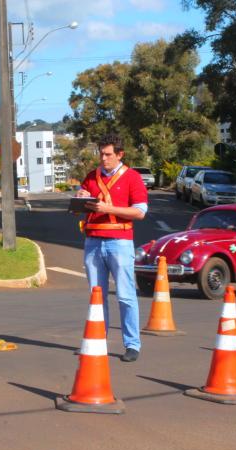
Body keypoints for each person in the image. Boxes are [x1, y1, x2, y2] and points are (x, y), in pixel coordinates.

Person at [76, 133, 148, 362]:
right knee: (96, 296)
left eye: (108, 154)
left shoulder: (133, 178)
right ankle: (98, 341)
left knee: (126, 296)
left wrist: (109, 208)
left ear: (120, 155)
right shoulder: (91, 177)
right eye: (101, 154)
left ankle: (132, 344)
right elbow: (82, 204)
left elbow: (140, 212)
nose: (103, 158)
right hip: (93, 241)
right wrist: (80, 197)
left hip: (120, 242)